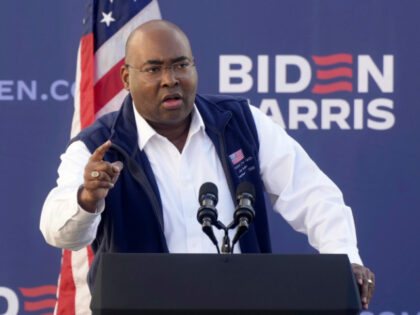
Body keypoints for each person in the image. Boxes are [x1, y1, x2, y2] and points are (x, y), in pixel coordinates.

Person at [40, 20, 375, 309]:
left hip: (242, 307)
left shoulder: (239, 122)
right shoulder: (99, 145)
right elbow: (58, 231)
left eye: (181, 65)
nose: (170, 79)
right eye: (154, 69)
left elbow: (312, 194)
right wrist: (88, 199)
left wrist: (345, 258)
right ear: (126, 78)